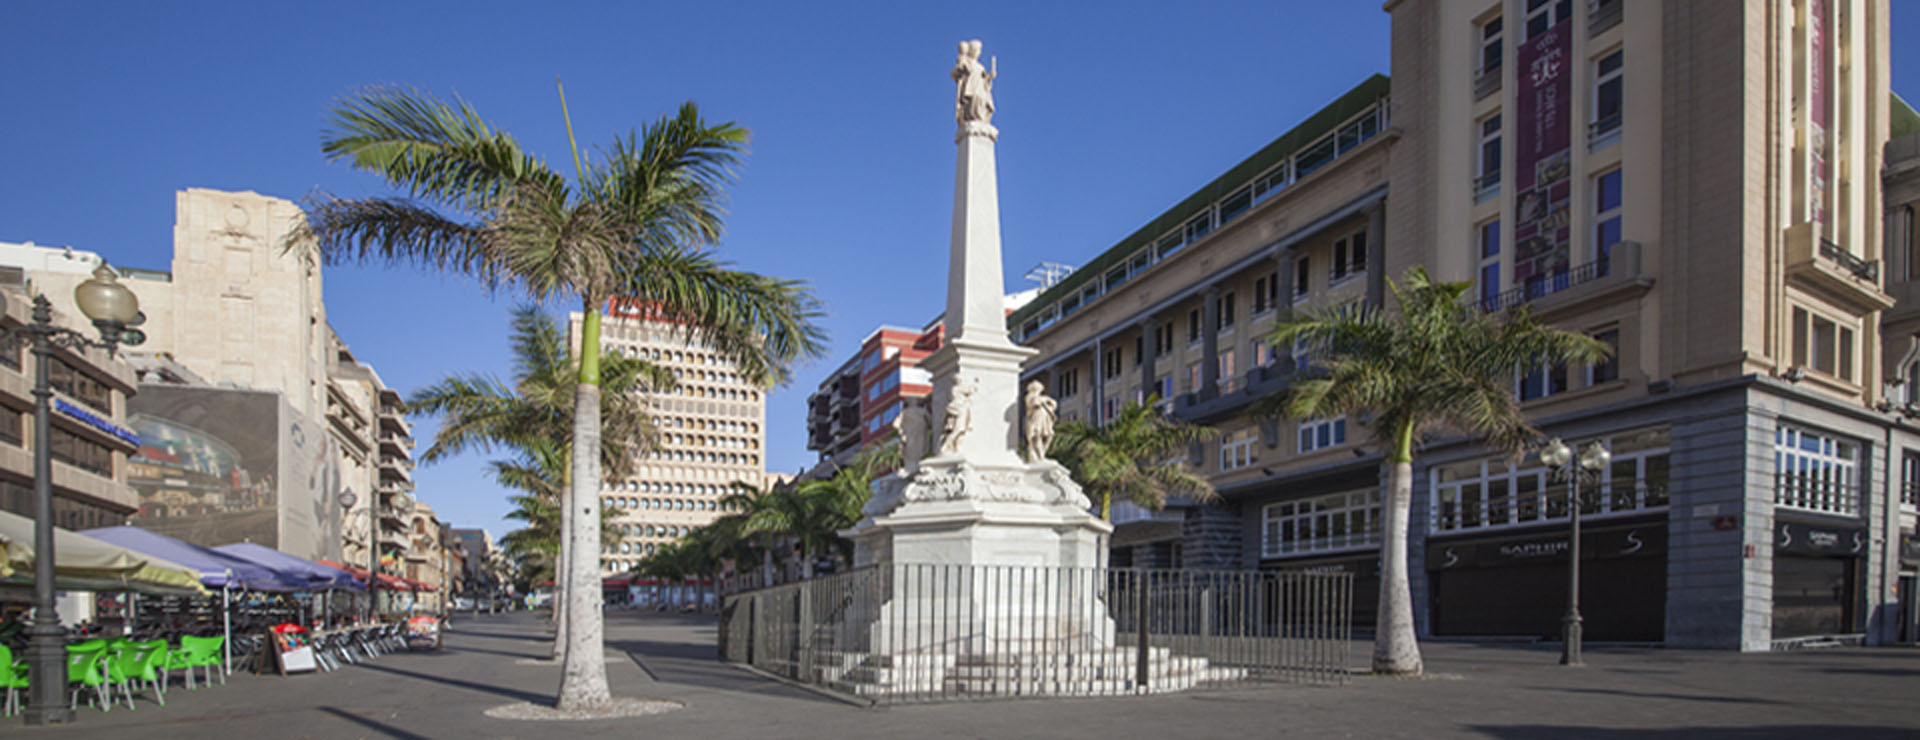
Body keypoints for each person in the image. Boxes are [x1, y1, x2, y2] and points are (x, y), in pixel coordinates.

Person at [1024, 380, 1057, 463]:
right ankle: (1039, 457)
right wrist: (1044, 400)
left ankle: (1042, 455)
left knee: (1049, 436)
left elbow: (1054, 404)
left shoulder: (1042, 398)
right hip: (1035, 419)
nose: (1037, 391)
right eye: (1036, 389)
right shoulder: (1030, 396)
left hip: (1044, 420)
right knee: (1036, 436)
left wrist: (1046, 400)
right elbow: (1035, 403)